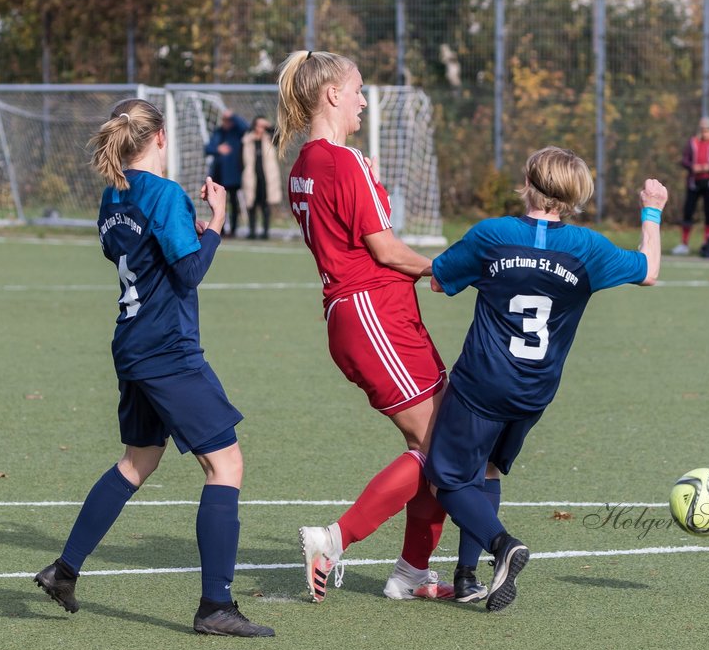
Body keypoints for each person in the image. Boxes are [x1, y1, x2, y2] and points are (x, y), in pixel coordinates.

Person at [33, 98, 273, 638]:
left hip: (133, 343)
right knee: (226, 465)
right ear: (161, 137)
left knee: (138, 461)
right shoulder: (164, 194)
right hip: (168, 349)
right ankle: (215, 605)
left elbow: (129, 253)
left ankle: (64, 571)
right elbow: (189, 272)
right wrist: (216, 221)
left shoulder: (112, 195)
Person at [425, 147, 666, 611]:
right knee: (489, 469)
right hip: (535, 389)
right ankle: (467, 576)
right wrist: (651, 209)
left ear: (527, 183)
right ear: (576, 196)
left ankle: (502, 546)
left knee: (448, 478)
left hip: (481, 382)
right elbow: (649, 270)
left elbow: (439, 280)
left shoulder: (493, 234)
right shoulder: (588, 248)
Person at [278, 49, 473, 604]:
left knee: (438, 443)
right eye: (358, 88)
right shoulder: (346, 162)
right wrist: (451, 267)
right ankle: (335, 539)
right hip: (373, 314)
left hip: (368, 316)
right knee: (441, 447)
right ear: (332, 94)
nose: (364, 99)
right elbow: (384, 250)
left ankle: (411, 572)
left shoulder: (303, 168)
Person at [671, 116, 709, 255]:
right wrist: (692, 167)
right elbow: (684, 160)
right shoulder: (693, 143)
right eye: (702, 129)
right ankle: (684, 244)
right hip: (694, 182)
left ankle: (707, 243)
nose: (705, 132)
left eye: (707, 129)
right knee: (688, 212)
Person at [205, 109, 248, 237]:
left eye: (229, 120)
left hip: (233, 175)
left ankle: (234, 230)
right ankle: (220, 229)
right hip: (219, 175)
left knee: (233, 203)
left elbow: (246, 127)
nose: (226, 123)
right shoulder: (218, 132)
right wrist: (218, 149)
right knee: (219, 204)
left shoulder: (237, 132)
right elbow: (208, 148)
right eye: (225, 120)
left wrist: (233, 115)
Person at [240, 115, 281, 239]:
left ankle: (265, 231)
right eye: (259, 125)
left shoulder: (269, 139)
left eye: (263, 126)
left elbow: (279, 134)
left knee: (265, 205)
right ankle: (252, 231)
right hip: (252, 177)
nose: (260, 128)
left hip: (266, 178)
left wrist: (268, 126)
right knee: (251, 205)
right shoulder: (247, 140)